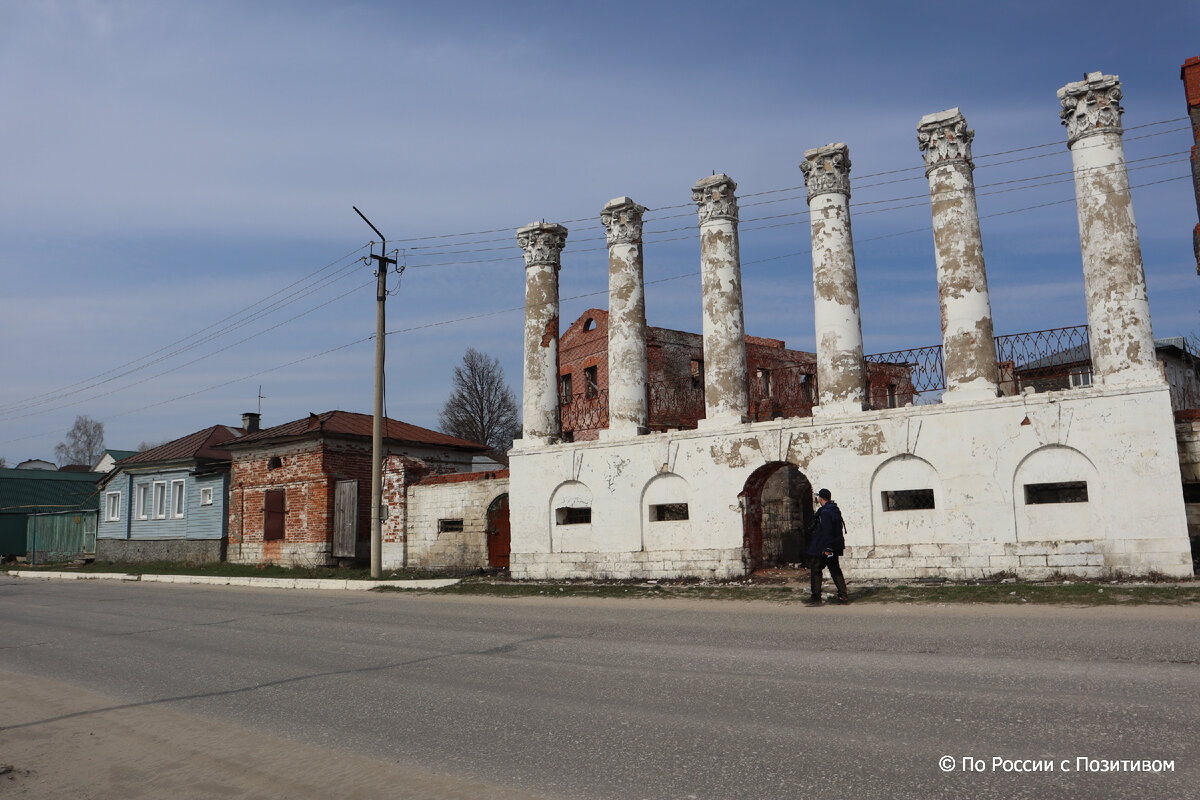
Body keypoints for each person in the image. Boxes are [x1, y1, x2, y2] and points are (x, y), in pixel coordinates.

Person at [804, 488, 849, 606]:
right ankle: (843, 596)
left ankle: (816, 597)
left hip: (825, 547)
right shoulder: (835, 509)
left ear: (820, 498)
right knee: (834, 569)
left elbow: (827, 531)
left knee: (816, 568)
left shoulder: (825, 512)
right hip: (834, 545)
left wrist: (827, 548)